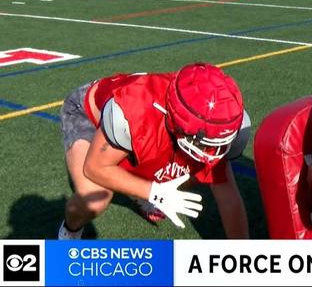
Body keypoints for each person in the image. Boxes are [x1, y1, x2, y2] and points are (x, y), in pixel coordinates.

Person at [58, 63, 250, 239]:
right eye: (205, 143)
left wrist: (242, 257)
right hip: (87, 113)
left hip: (148, 127)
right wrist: (154, 192)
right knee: (95, 198)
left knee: (184, 174)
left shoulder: (220, 120)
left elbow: (228, 198)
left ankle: (139, 183)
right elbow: (95, 168)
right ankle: (69, 231)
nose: (212, 152)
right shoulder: (133, 112)